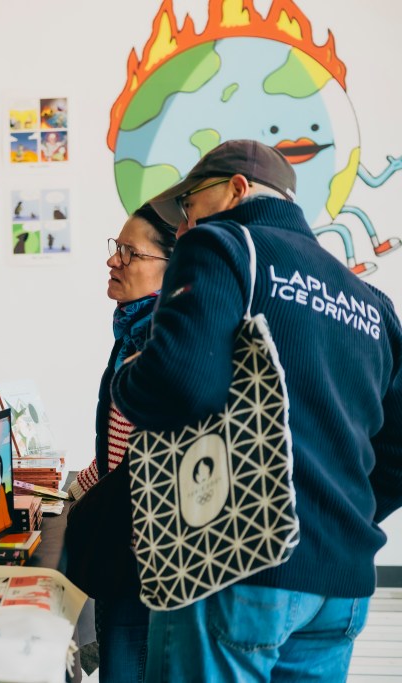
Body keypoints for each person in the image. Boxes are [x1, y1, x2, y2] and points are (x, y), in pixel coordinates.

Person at [112, 139, 402, 682]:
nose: (182, 227)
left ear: (236, 190)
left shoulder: (222, 244)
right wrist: (333, 516)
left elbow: (179, 382)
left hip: (234, 566)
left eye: (189, 205)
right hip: (340, 585)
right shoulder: (370, 302)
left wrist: (127, 378)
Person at [65, 204, 176, 683]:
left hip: (142, 548)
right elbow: (122, 442)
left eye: (130, 253)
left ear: (169, 269)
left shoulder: (162, 338)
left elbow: (155, 452)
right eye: (117, 248)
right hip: (128, 535)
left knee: (126, 664)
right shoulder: (133, 329)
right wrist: (79, 483)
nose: (114, 261)